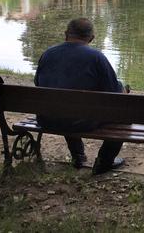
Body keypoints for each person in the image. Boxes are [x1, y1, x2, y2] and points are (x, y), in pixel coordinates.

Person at [34, 17, 125, 175]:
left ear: (66, 34)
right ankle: (104, 162)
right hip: (81, 122)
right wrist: (124, 89)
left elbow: (38, 83)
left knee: (65, 106)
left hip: (47, 118)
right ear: (91, 38)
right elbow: (114, 95)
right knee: (125, 114)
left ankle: (78, 156)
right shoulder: (97, 58)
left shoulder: (47, 54)